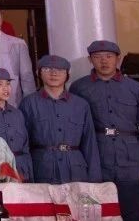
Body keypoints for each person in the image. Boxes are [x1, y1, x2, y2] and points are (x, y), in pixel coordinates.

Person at [69, 40, 139, 221]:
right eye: (97, 57)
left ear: (118, 59)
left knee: (132, 211)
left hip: (132, 161)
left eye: (109, 56)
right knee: (96, 212)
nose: (104, 61)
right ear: (90, 60)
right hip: (96, 158)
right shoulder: (79, 88)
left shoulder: (136, 89)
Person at [20, 55, 100, 184]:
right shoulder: (28, 103)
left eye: (60, 70)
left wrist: (94, 179)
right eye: (47, 69)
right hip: (42, 169)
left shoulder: (81, 105)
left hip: (75, 169)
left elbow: (90, 143)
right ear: (38, 73)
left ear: (67, 74)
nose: (54, 73)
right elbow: (23, 143)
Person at [0, 67, 31, 181]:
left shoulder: (17, 113)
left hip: (21, 170)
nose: (5, 88)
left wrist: (28, 172)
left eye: (8, 84)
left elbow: (26, 147)